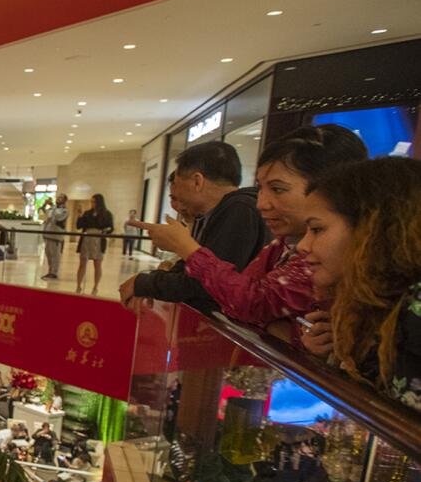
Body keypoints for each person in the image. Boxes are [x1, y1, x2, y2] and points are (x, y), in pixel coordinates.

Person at [135, 125, 367, 326]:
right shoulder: (283, 244)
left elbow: (249, 301)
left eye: (278, 189)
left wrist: (186, 248)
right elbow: (236, 303)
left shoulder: (241, 211)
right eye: (262, 188)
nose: (262, 203)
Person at [297, 156, 421, 407]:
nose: (302, 245)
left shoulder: (413, 312)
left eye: (317, 229)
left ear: (373, 229)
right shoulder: (375, 306)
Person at [121, 141, 270, 311]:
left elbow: (207, 283)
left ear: (197, 181)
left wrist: (144, 283)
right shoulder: (213, 214)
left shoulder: (239, 210)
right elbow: (192, 268)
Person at [73, 194, 115, 295]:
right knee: (82, 263)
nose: (92, 203)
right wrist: (79, 215)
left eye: (94, 202)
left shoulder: (107, 214)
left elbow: (111, 227)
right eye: (91, 201)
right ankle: (78, 285)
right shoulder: (87, 213)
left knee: (97, 264)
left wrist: (106, 231)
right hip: (87, 239)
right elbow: (79, 226)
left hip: (99, 240)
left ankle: (95, 286)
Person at [40, 195, 68, 279]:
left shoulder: (64, 211)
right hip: (48, 235)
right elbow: (44, 216)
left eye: (61, 198)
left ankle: (54, 273)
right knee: (48, 254)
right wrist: (44, 205)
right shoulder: (52, 209)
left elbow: (58, 218)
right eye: (58, 197)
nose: (58, 199)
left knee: (55, 255)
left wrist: (52, 207)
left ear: (64, 201)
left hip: (56, 236)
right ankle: (50, 271)